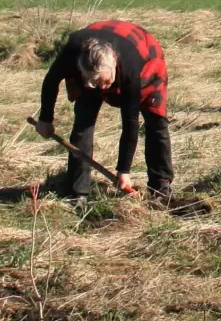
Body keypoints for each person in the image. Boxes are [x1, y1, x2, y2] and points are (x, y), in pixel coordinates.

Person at [34, 20, 172, 200]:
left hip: (143, 51)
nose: (102, 88)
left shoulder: (131, 68)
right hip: (95, 52)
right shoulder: (72, 54)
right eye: (95, 82)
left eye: (106, 82)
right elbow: (51, 81)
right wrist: (45, 119)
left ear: (113, 64)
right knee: (83, 122)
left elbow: (130, 123)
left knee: (156, 120)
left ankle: (160, 186)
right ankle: (78, 192)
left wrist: (124, 170)